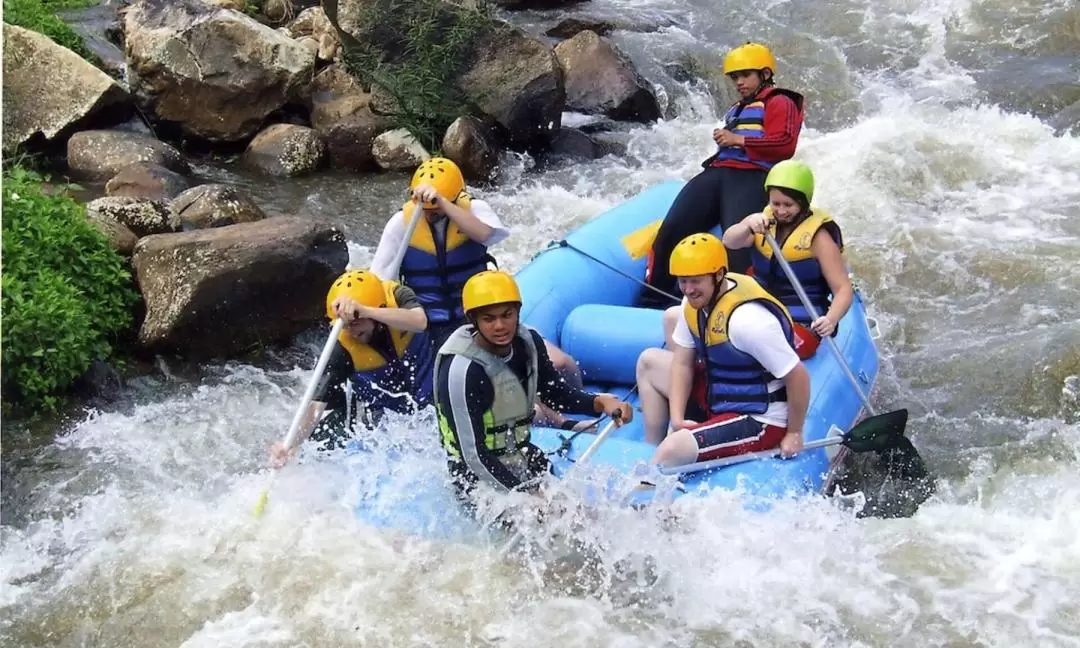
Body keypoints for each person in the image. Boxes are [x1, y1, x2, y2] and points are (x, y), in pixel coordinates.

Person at [370, 157, 588, 430]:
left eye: (435, 207)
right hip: (434, 328)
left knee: (563, 363)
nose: (429, 212)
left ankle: (577, 410)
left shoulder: (475, 210)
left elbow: (487, 234)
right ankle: (562, 423)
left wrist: (445, 204)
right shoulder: (401, 224)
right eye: (425, 207)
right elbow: (378, 280)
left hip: (481, 315)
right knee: (505, 384)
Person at [433, 270, 634, 500]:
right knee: (541, 518)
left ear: (518, 312)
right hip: (474, 476)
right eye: (488, 319)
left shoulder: (528, 343)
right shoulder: (462, 372)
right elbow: (473, 456)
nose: (500, 326)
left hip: (520, 453)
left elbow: (554, 394)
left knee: (573, 512)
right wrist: (526, 495)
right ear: (474, 320)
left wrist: (599, 402)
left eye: (507, 315)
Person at [642, 42, 805, 307]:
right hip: (717, 174)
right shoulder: (736, 108)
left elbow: (784, 144)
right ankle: (654, 298)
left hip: (752, 176)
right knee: (673, 230)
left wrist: (738, 140)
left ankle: (738, 306)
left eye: (745, 76)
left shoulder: (780, 102)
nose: (739, 82)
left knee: (737, 244)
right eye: (735, 77)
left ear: (764, 74)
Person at [634, 233, 810, 472]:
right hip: (720, 397)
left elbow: (798, 376)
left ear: (718, 275)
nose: (688, 289)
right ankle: (648, 449)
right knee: (649, 362)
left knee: (671, 449)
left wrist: (794, 432)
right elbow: (682, 364)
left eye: (695, 281)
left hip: (760, 417)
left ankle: (650, 484)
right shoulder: (692, 304)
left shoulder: (748, 322)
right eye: (683, 281)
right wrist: (677, 418)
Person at [269, 269, 432, 466]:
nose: (351, 331)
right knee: (312, 447)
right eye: (346, 325)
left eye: (356, 323)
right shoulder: (341, 348)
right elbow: (315, 406)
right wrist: (291, 444)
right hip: (383, 417)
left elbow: (420, 322)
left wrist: (364, 310)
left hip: (430, 401)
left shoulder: (397, 296)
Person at [722, 159, 852, 358]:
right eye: (776, 203)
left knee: (769, 343)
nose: (781, 211)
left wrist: (831, 319)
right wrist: (747, 224)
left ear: (803, 203)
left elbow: (843, 289)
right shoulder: (763, 222)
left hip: (800, 316)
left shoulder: (819, 238)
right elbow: (729, 241)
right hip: (761, 303)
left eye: (788, 205)